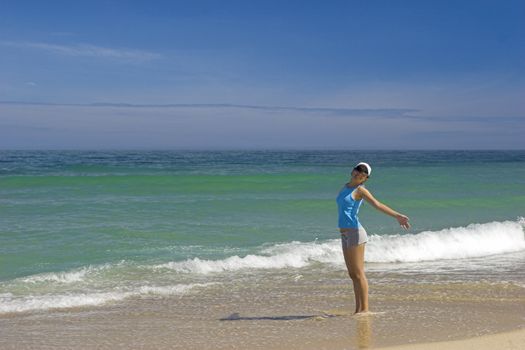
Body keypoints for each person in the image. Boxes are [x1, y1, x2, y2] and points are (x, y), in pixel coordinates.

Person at [336, 162, 410, 314]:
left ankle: (365, 309)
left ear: (365, 178)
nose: (359, 173)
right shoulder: (345, 187)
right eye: (357, 170)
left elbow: (377, 204)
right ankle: (358, 310)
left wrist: (397, 216)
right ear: (353, 170)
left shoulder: (360, 190)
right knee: (352, 274)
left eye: (363, 173)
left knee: (359, 273)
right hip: (344, 234)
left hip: (355, 232)